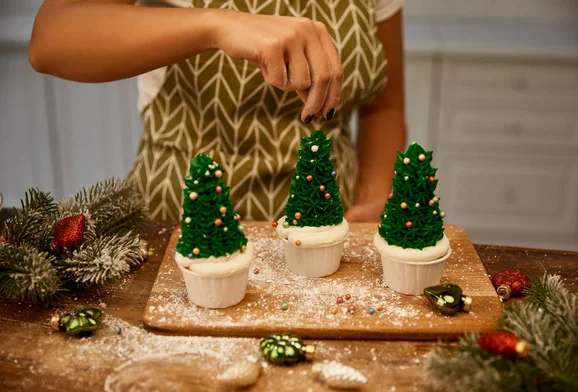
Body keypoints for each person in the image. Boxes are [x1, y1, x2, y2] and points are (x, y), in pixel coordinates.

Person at [29, 0, 407, 223]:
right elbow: (53, 37)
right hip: (177, 224)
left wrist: (375, 200)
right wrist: (218, 23)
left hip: (329, 223)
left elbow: (383, 106)